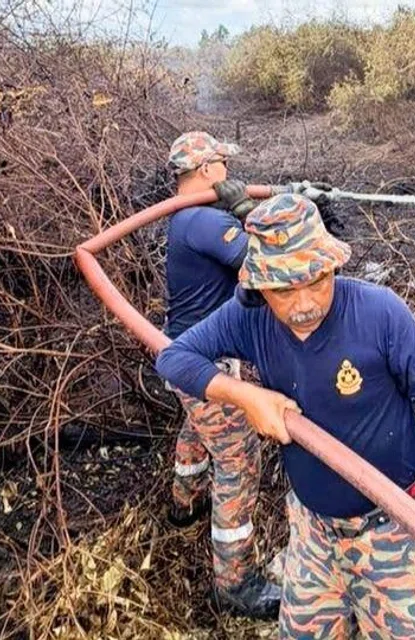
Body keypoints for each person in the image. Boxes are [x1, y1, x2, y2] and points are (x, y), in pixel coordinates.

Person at [157, 193, 415, 638]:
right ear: (258, 288)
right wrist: (247, 396)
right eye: (284, 289)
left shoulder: (379, 313)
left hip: (396, 528)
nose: (304, 302)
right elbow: (174, 358)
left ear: (332, 267)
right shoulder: (251, 319)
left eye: (317, 280)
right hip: (313, 533)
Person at [162, 131, 329, 619]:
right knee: (237, 459)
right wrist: (245, 215)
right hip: (203, 360)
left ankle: (184, 504)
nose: (229, 175)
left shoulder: (181, 216)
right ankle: (233, 582)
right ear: (209, 170)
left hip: (193, 354)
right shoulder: (202, 221)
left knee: (196, 430)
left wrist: (287, 201)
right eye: (223, 167)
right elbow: (263, 266)